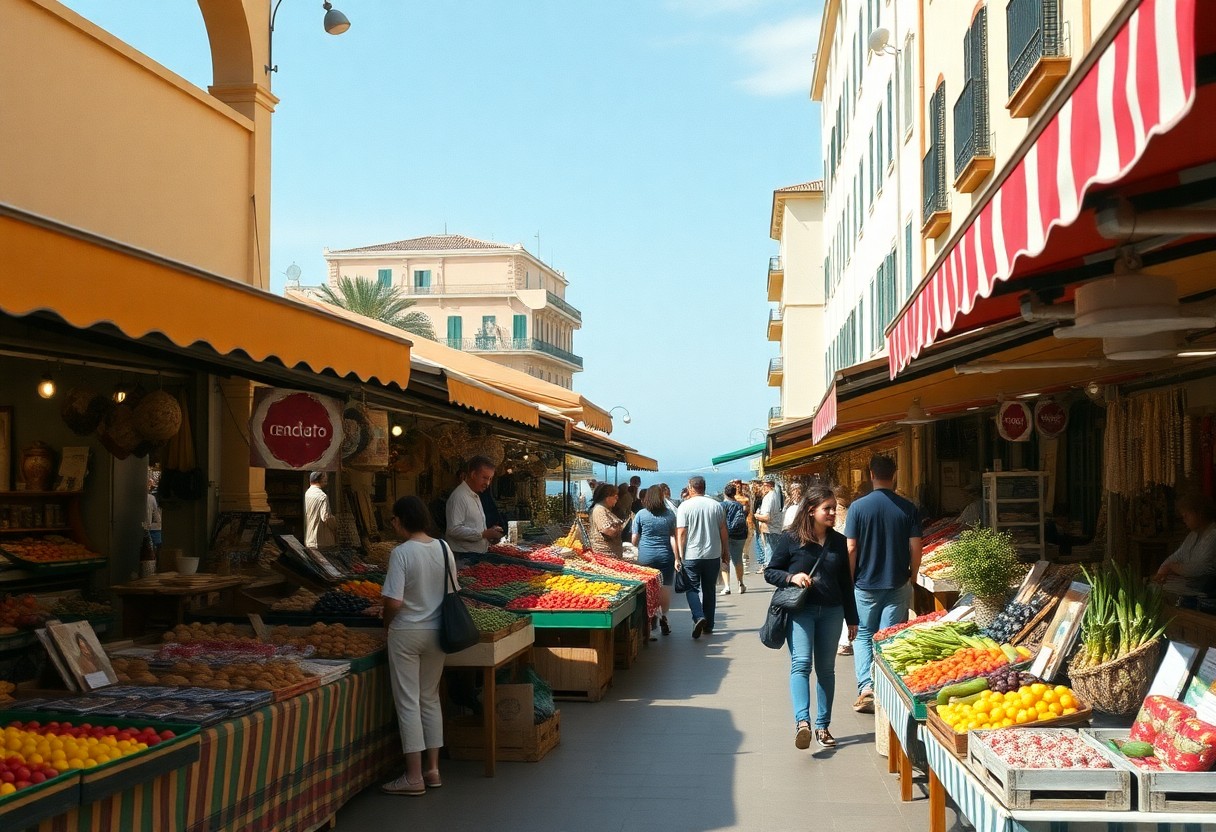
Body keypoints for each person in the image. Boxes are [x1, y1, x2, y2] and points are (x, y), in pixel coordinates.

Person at [765, 485, 859, 749]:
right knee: (801, 663)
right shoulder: (792, 539)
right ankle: (802, 723)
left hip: (832, 611)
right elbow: (771, 571)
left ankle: (823, 726)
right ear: (810, 510)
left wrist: (852, 619)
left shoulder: (839, 542)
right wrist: (791, 577)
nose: (832, 513)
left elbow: (846, 583)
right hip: (801, 611)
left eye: (833, 508)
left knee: (826, 670)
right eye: (826, 509)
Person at [380, 496, 454, 795]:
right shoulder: (443, 547)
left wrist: (386, 621)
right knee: (430, 698)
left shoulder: (401, 553)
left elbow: (394, 601)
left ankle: (413, 777)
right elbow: (452, 591)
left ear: (400, 520)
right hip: (438, 632)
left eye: (393, 520)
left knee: (408, 702)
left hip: (407, 633)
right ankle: (433, 770)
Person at [844, 455, 922, 714]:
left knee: (864, 635)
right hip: (897, 581)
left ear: (870, 474)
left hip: (865, 584)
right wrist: (913, 575)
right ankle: (886, 689)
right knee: (889, 638)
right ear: (895, 474)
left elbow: (851, 547)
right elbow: (915, 547)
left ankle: (866, 687)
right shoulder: (908, 508)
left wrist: (850, 579)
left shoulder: (858, 508)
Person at [675, 476, 728, 639]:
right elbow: (723, 531)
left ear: (691, 488)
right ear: (704, 488)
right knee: (709, 589)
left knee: (691, 588)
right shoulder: (716, 506)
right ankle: (709, 625)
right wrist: (726, 552)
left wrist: (679, 555)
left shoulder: (684, 506)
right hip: (712, 554)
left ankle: (698, 616)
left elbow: (682, 532)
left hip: (691, 554)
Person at [632, 486, 677, 636]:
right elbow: (673, 538)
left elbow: (634, 540)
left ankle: (650, 623)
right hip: (665, 556)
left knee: (648, 590)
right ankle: (663, 617)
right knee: (664, 588)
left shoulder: (641, 515)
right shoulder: (669, 515)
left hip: (646, 556)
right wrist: (678, 558)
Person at [1154, 493, 1216, 594]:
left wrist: (1172, 567)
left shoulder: (1213, 535)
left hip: (1206, 590)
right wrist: (1162, 570)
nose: (1184, 519)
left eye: (1187, 515)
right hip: (1191, 584)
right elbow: (1177, 556)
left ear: (1200, 513)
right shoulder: (1192, 535)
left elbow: (1199, 568)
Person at [445, 456, 504, 556]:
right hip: (464, 555)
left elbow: (474, 526)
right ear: (473, 474)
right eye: (485, 478)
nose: (488, 483)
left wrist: (490, 534)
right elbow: (453, 529)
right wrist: (483, 534)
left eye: (490, 479)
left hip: (476, 554)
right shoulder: (459, 496)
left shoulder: (474, 495)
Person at [719, 483, 749, 596]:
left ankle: (727, 587)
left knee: (724, 559)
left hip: (726, 535)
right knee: (738, 559)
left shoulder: (722, 505)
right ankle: (741, 584)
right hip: (740, 535)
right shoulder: (739, 505)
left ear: (724, 493)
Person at [754, 477, 784, 573]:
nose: (762, 487)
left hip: (770, 528)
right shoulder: (775, 495)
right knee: (772, 548)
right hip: (774, 527)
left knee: (770, 549)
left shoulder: (768, 497)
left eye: (763, 485)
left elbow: (767, 517)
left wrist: (756, 515)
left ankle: (771, 570)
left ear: (767, 485)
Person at [588, 483, 626, 557]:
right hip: (605, 554)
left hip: (610, 553)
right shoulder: (599, 510)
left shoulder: (604, 509)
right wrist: (620, 527)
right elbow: (608, 531)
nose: (617, 499)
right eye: (615, 496)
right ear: (607, 497)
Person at [304, 471, 337, 548]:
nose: (326, 479)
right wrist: (335, 524)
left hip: (311, 538)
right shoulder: (322, 496)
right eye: (324, 477)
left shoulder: (308, 493)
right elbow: (326, 517)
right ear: (320, 479)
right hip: (321, 539)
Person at [146, 477, 163, 552]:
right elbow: (156, 512)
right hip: (149, 525)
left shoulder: (151, 497)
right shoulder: (151, 498)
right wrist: (159, 523)